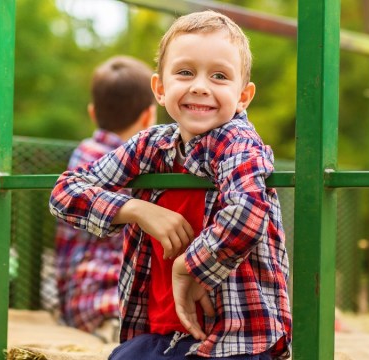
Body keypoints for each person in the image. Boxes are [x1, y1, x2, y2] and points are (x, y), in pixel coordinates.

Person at [50, 10, 292, 359]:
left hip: (233, 338)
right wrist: (135, 209)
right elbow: (65, 191)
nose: (200, 86)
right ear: (160, 89)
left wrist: (189, 267)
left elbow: (247, 211)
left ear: (243, 96)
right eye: (185, 72)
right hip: (158, 330)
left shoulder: (238, 144)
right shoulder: (152, 146)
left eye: (220, 76)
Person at [53, 55, 157, 338]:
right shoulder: (137, 166)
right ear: (148, 116)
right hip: (109, 296)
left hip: (77, 298)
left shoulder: (83, 154)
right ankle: (113, 328)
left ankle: (112, 328)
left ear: (92, 112)